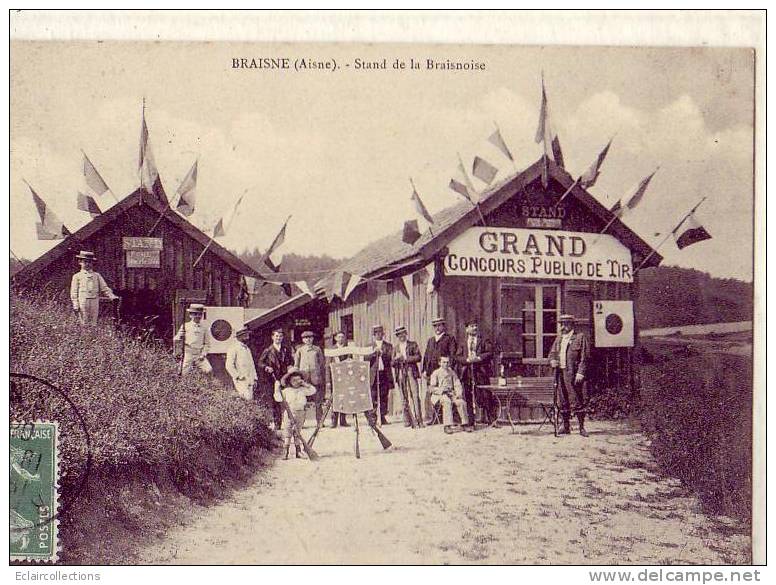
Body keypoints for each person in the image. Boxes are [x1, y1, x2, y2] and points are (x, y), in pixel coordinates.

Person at [548, 314, 590, 437]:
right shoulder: (559, 339)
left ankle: (582, 427)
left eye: (566, 323)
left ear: (572, 325)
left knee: (577, 399)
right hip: (560, 373)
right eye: (562, 323)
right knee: (563, 400)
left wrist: (581, 372)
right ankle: (566, 426)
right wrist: (552, 361)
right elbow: (552, 354)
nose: (563, 326)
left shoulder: (580, 338)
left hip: (573, 373)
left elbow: (585, 357)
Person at [456, 321, 497, 426]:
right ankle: (471, 421)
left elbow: (489, 353)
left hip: (481, 371)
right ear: (467, 329)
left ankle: (492, 420)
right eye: (471, 326)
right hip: (467, 371)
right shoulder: (462, 342)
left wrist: (478, 358)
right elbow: (458, 356)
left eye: (475, 326)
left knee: (485, 394)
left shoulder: (484, 340)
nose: (474, 328)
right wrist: (467, 360)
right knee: (468, 395)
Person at [421, 316, 458, 424]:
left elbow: (452, 355)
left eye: (439, 325)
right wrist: (424, 370)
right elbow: (426, 356)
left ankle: (448, 418)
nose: (437, 328)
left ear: (443, 326)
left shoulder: (449, 338)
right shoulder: (431, 340)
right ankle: (431, 417)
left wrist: (449, 369)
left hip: (443, 372)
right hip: (431, 372)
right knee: (431, 393)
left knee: (446, 393)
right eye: (435, 326)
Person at [275, 368, 317, 460]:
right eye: (294, 380)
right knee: (288, 431)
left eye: (298, 380)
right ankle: (286, 451)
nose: (296, 382)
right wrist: (277, 389)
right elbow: (278, 398)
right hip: (289, 413)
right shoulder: (287, 390)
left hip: (300, 413)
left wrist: (305, 384)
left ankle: (298, 451)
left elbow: (313, 391)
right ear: (289, 381)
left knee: (297, 432)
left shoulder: (303, 390)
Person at [258, 327, 295, 430]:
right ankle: (277, 423)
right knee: (276, 401)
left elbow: (291, 361)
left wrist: (290, 366)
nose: (278, 338)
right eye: (276, 336)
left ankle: (290, 422)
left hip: (284, 378)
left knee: (287, 399)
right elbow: (260, 363)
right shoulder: (268, 350)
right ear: (272, 337)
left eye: (280, 336)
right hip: (273, 379)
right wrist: (266, 367)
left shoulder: (285, 349)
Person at [69, 250, 119, 325]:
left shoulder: (97, 276)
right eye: (85, 262)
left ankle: (93, 335)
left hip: (94, 300)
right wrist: (76, 304)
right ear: (80, 262)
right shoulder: (77, 276)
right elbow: (74, 292)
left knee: (93, 322)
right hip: (83, 301)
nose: (87, 264)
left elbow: (104, 288)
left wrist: (111, 296)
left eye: (89, 262)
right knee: (84, 322)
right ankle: (84, 335)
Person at [429, 355, 472, 434]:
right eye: (444, 362)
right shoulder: (436, 373)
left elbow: (457, 384)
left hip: (451, 393)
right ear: (439, 363)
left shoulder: (451, 372)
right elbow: (432, 388)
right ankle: (447, 426)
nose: (446, 364)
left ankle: (464, 424)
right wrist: (441, 390)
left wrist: (458, 393)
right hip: (439, 395)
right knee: (447, 402)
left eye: (447, 362)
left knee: (461, 402)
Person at [393, 326, 424, 428]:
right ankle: (407, 420)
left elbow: (418, 357)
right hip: (401, 373)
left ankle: (419, 420)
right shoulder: (395, 348)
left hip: (411, 371)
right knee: (403, 397)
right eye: (399, 335)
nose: (401, 336)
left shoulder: (413, 344)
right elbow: (392, 363)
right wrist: (396, 359)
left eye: (403, 334)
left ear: (406, 334)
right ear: (397, 336)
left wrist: (405, 358)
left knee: (415, 395)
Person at [293, 330, 326, 426]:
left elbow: (322, 364)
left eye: (310, 338)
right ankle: (301, 422)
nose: (308, 340)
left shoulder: (317, 349)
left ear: (313, 339)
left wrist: (321, 377)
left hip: (316, 378)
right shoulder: (300, 350)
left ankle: (320, 422)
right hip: (304, 380)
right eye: (306, 338)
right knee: (302, 402)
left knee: (318, 401)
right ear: (303, 340)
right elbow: (296, 365)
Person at [173, 303, 213, 375]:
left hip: (199, 354)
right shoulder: (186, 326)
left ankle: (202, 384)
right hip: (188, 353)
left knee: (208, 370)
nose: (197, 316)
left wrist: (203, 354)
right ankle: (183, 385)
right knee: (183, 372)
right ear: (190, 315)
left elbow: (207, 344)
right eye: (195, 314)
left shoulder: (204, 327)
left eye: (199, 314)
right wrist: (180, 336)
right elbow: (175, 339)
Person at [368, 325, 394, 425]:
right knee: (373, 396)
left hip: (384, 374)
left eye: (380, 333)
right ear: (374, 335)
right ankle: (373, 418)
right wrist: (374, 353)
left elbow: (390, 358)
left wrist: (383, 354)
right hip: (374, 375)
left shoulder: (388, 346)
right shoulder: (369, 346)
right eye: (377, 333)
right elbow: (366, 358)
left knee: (384, 396)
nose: (379, 335)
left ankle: (382, 417)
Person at [325, 330, 351, 428]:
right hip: (334, 378)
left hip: (344, 378)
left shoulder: (347, 349)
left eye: (342, 337)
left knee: (344, 398)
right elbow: (327, 366)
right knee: (334, 399)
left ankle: (343, 420)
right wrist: (328, 380)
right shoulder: (331, 349)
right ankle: (334, 420)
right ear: (335, 338)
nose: (341, 339)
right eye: (339, 337)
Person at [225, 327, 257, 400]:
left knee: (249, 400)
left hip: (250, 380)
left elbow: (252, 365)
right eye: (245, 335)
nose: (247, 336)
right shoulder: (233, 348)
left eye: (247, 334)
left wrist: (255, 378)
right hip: (241, 380)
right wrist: (238, 376)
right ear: (240, 336)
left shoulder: (247, 349)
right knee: (244, 399)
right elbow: (229, 365)